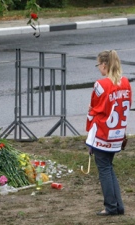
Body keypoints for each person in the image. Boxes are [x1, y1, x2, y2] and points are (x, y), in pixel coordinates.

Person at [85, 50, 132, 216]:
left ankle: (111, 207)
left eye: (99, 65)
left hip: (103, 133)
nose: (99, 68)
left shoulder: (101, 84)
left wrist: (90, 119)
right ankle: (118, 206)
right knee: (108, 168)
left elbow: (95, 107)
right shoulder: (126, 82)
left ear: (104, 65)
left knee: (104, 169)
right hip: (117, 133)